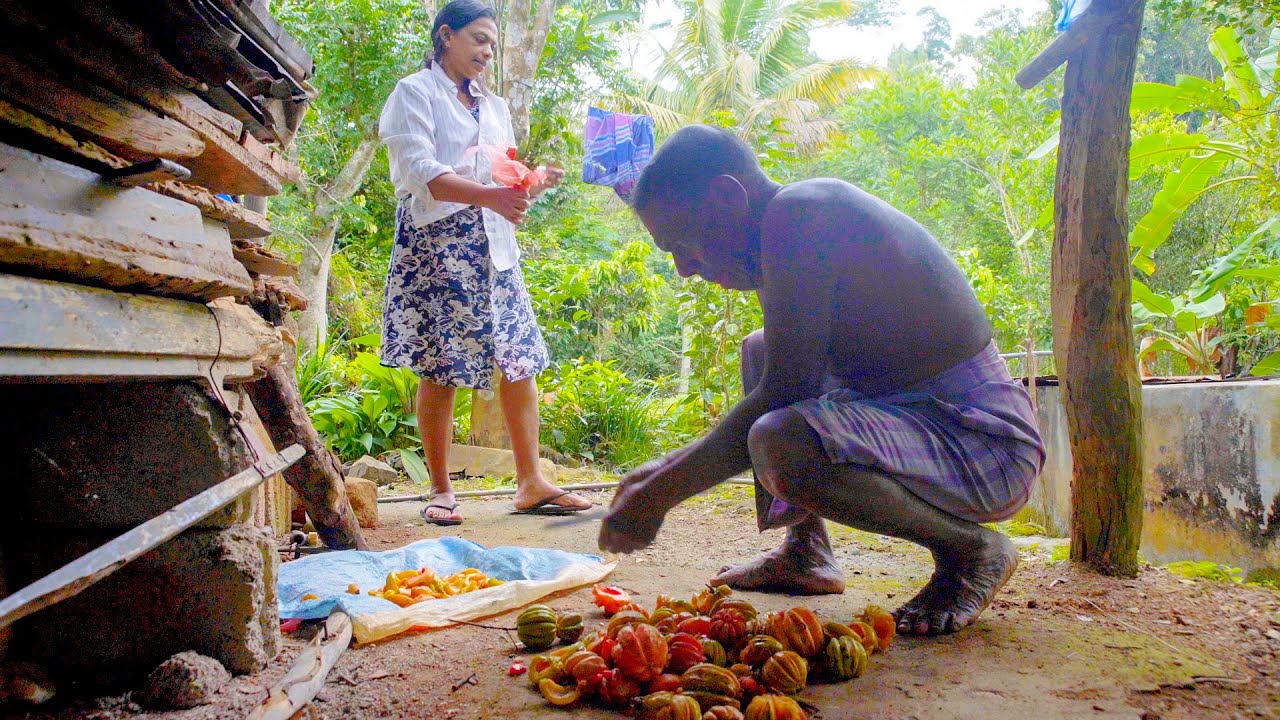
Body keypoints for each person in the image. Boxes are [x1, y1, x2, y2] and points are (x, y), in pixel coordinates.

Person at [598, 125, 1046, 636]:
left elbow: (786, 393)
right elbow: (786, 377)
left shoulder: (801, 214)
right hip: (922, 425)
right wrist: (659, 472)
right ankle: (806, 551)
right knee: (761, 348)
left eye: (682, 243)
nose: (683, 268)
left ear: (727, 198)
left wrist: (660, 492)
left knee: (780, 439)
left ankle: (970, 550)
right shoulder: (781, 229)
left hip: (984, 446)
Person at [377, 0, 591, 525]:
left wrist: (533, 183)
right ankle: (441, 489)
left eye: (492, 43)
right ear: (445, 36)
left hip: (496, 248)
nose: (487, 51)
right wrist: (492, 197)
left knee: (520, 358)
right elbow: (420, 170)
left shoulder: (493, 107)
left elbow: (503, 179)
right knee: (441, 364)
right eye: (478, 39)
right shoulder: (413, 93)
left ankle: (531, 482)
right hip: (438, 244)